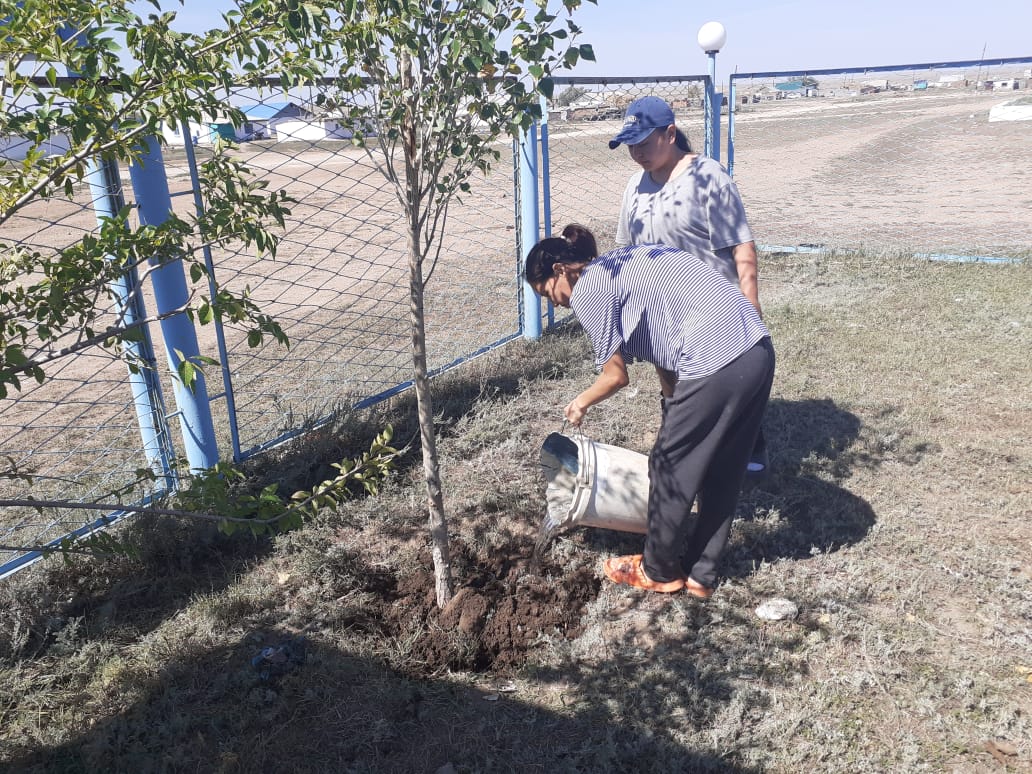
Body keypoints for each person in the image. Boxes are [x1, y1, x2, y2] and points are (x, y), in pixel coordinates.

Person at [526, 224, 775, 597]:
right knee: (723, 469)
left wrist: (579, 403)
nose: (555, 303)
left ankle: (658, 569)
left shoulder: (589, 289)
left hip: (714, 357)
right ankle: (700, 576)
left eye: (548, 292)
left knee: (668, 466)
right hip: (756, 351)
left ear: (561, 270)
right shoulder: (618, 264)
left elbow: (615, 376)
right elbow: (663, 343)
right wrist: (674, 404)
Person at [609, 96, 770, 478]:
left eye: (644, 144)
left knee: (719, 384)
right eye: (631, 146)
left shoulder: (708, 178)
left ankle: (747, 444)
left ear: (670, 134)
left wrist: (750, 305)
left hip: (710, 311)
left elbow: (741, 244)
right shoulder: (635, 186)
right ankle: (679, 441)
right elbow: (625, 248)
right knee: (670, 377)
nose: (637, 154)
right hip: (659, 310)